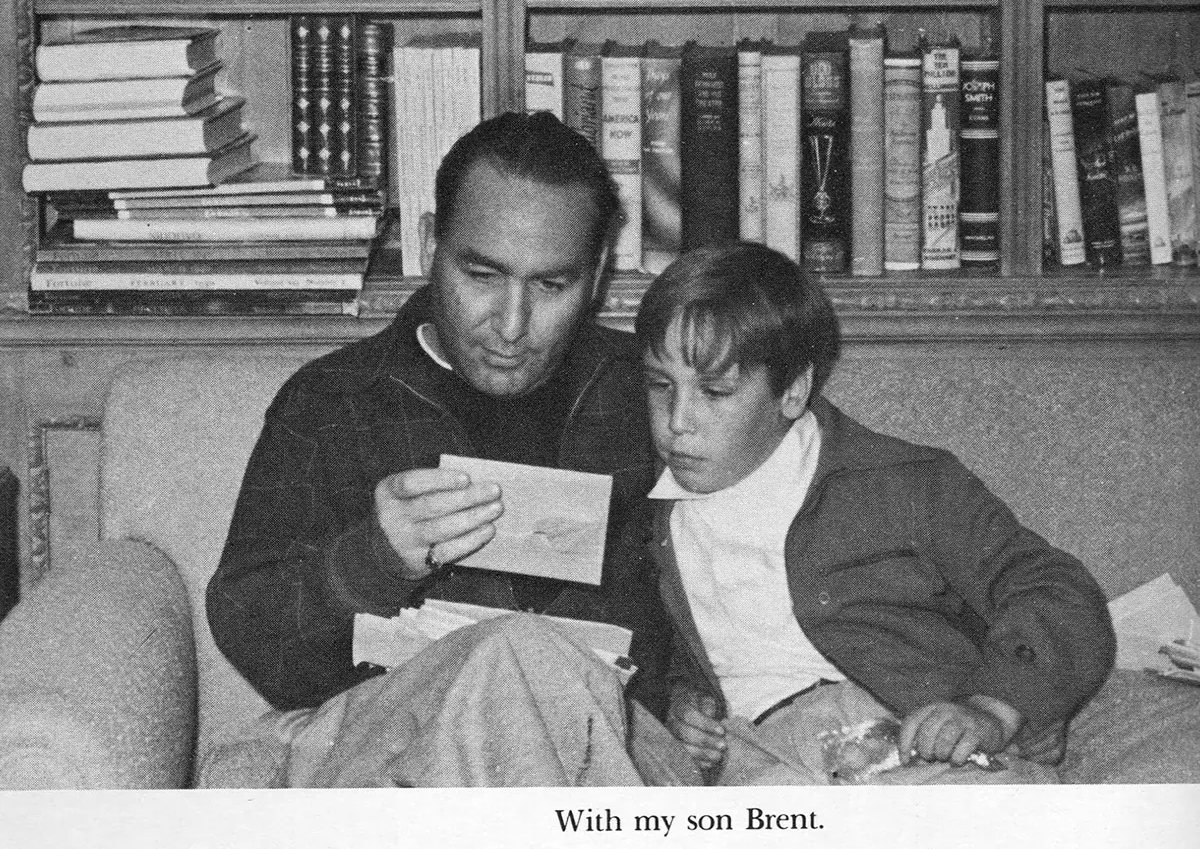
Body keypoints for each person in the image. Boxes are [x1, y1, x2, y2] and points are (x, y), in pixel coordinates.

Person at [203, 111, 678, 787]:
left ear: (597, 273)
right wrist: (371, 561)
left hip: (606, 751)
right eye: (482, 274)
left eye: (550, 285)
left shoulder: (652, 392)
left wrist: (691, 692)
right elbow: (258, 645)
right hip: (398, 750)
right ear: (430, 243)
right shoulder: (334, 401)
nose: (511, 325)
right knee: (509, 654)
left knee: (529, 665)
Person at [636, 241, 1118, 786]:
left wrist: (996, 705)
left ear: (792, 392)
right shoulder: (655, 510)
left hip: (904, 738)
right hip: (758, 754)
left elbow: (1054, 586)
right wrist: (683, 703)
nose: (677, 420)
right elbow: (675, 650)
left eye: (716, 391)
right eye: (660, 385)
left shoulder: (906, 483)